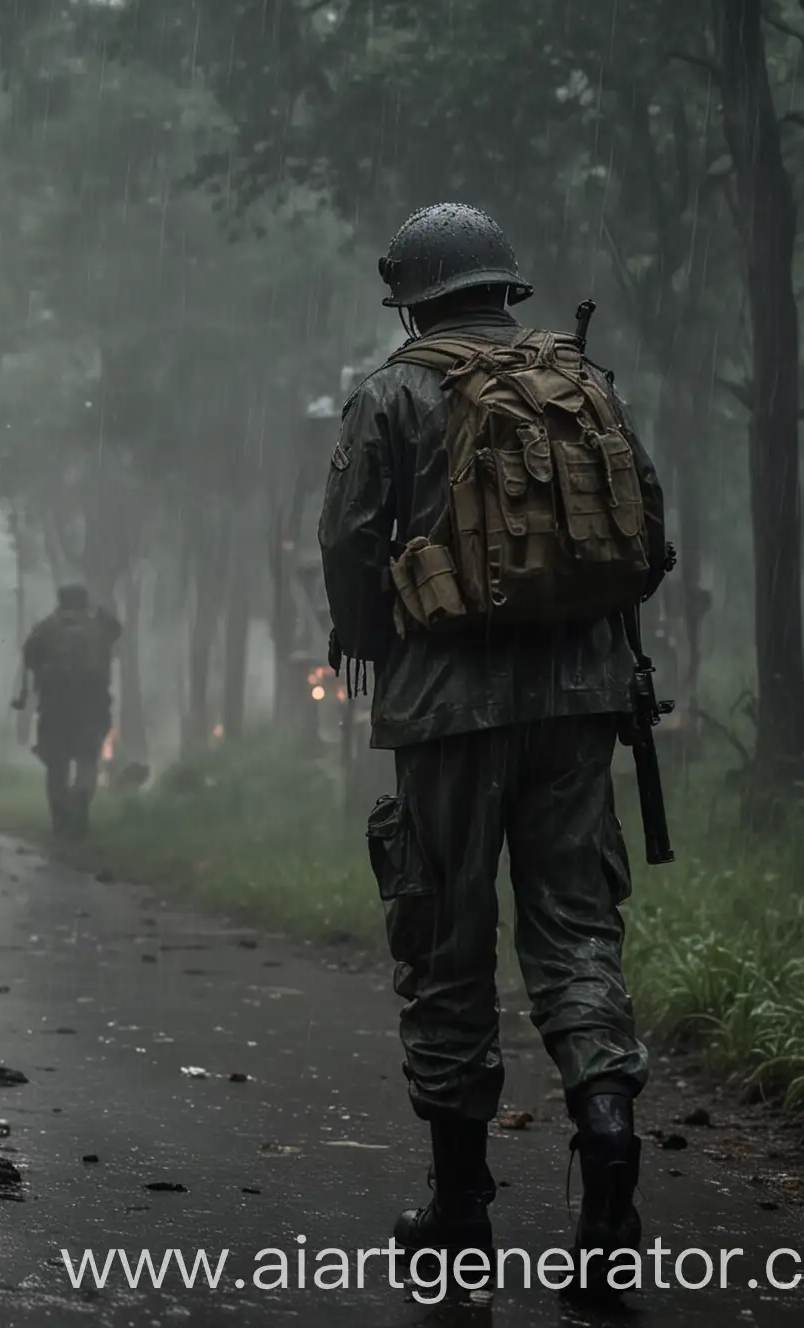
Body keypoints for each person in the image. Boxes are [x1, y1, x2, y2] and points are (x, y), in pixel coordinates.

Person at [318, 203, 668, 1292]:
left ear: (414, 296)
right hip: (579, 704)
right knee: (574, 932)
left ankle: (461, 1213)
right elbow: (645, 527)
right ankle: (607, 1139)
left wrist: (372, 643)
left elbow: (348, 543)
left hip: (445, 713)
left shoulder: (390, 393)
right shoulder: (581, 381)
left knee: (446, 940)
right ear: (504, 288)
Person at [16, 584, 122, 838]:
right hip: (92, 706)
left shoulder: (47, 627)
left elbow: (29, 657)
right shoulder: (98, 628)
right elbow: (116, 632)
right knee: (87, 761)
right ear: (84, 602)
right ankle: (80, 802)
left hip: (55, 707)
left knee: (57, 766)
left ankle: (61, 820)